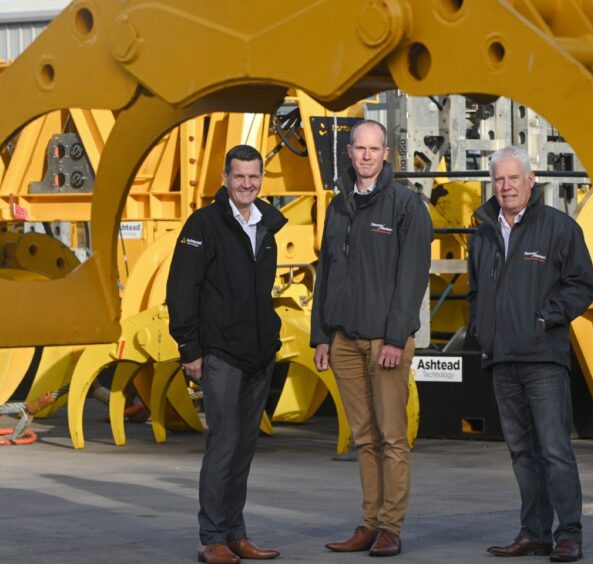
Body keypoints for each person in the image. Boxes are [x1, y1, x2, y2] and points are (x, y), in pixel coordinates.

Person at [467, 146, 593, 562]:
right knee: (521, 452)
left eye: (513, 178)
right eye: (499, 180)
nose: (506, 187)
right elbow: (476, 290)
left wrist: (545, 318)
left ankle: (569, 533)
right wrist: (481, 329)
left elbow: (581, 285)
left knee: (555, 449)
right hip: (501, 358)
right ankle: (534, 532)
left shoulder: (559, 228)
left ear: (531, 181)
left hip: (542, 358)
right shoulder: (483, 231)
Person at [311, 119, 432, 557]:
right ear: (348, 152)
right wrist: (321, 335)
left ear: (386, 154)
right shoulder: (338, 207)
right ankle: (368, 523)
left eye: (374, 148)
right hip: (343, 341)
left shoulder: (405, 206)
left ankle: (391, 528)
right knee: (364, 438)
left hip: (386, 343)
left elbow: (412, 278)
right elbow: (325, 273)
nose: (366, 155)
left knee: (393, 438)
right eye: (359, 148)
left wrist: (397, 339)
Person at [167, 144, 286, 564]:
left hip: (257, 353)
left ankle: (237, 534)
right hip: (219, 353)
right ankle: (212, 537)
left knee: (244, 447)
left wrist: (270, 339)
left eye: (254, 176)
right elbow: (182, 290)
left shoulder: (266, 225)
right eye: (239, 176)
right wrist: (190, 348)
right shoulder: (204, 224)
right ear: (225, 178)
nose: (247, 184)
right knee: (223, 443)